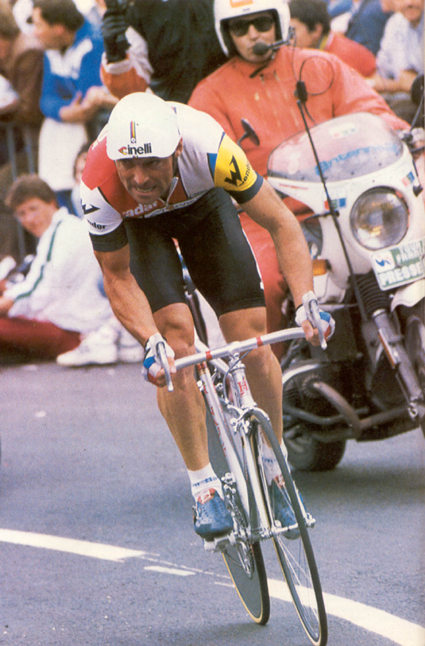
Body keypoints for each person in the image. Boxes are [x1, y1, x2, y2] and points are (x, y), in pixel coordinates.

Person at [80, 92, 334, 540]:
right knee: (176, 349)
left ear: (177, 150)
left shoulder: (211, 149)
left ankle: (276, 472)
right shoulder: (99, 183)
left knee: (253, 342)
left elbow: (281, 224)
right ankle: (203, 486)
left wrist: (306, 298)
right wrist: (148, 341)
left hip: (204, 210)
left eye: (152, 164)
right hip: (141, 229)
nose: (138, 178)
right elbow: (117, 278)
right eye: (128, 166)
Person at [188, 0, 411, 359]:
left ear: (278, 21)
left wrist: (400, 133)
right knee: (261, 284)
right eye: (239, 27)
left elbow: (370, 110)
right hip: (267, 218)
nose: (252, 34)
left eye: (261, 22)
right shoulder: (210, 94)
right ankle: (269, 378)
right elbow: (204, 163)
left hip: (347, 205)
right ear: (226, 34)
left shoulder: (319, 66)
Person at [0, 174, 112, 363]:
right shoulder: (65, 228)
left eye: (33, 209)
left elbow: (35, 293)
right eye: (22, 214)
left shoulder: (58, 233)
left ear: (52, 203)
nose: (29, 219)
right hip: (77, 320)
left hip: (74, 330)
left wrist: (7, 300)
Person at [29, 0, 117, 213]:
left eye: (39, 25)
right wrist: (65, 111)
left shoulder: (93, 42)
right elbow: (46, 98)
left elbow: (86, 95)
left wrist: (70, 107)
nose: (35, 33)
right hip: (70, 128)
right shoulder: (52, 48)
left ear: (59, 28)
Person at [99, 0, 226, 103]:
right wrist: (116, 56)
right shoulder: (134, 10)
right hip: (180, 115)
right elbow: (131, 91)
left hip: (231, 100)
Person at [0, 0, 43, 262]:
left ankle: (11, 261)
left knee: (5, 190)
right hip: (24, 143)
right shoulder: (12, 51)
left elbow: (29, 109)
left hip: (38, 143)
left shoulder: (25, 51)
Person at [288, 0, 376, 77]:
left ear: (316, 30)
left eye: (293, 30)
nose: (289, 37)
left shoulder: (341, 58)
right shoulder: (322, 46)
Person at [369, 0, 424, 123]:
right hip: (398, 101)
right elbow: (381, 74)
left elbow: (415, 85)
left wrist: (399, 84)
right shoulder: (395, 24)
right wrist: (400, 84)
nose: (408, 3)